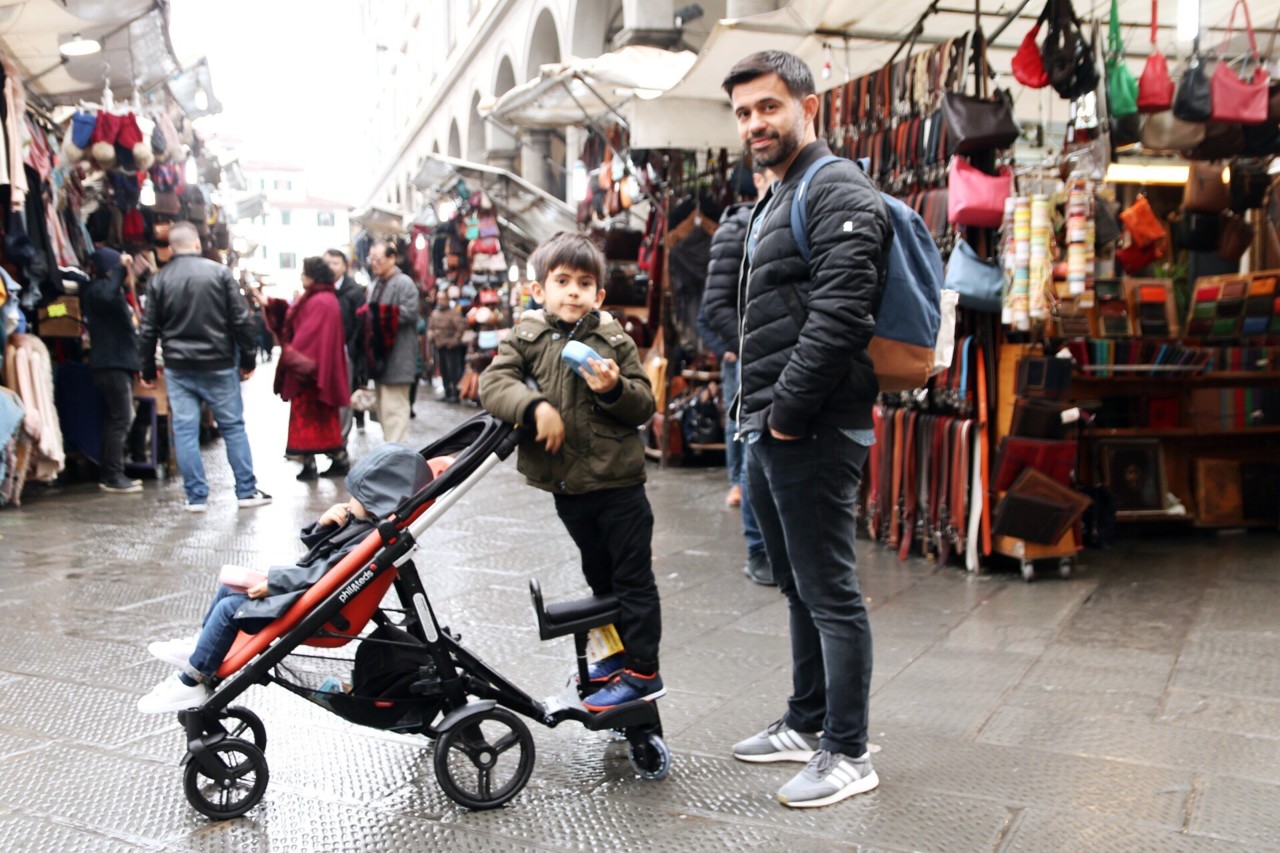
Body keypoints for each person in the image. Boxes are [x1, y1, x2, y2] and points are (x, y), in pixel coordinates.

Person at [722, 51, 890, 808]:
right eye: (744, 112)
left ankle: (848, 750)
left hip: (812, 426)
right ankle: (806, 719)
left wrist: (785, 414)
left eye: (767, 107)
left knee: (829, 589)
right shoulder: (777, 192)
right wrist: (756, 419)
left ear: (806, 106)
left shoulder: (837, 186)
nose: (755, 123)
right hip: (769, 422)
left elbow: (842, 314)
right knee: (795, 583)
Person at [479, 232, 661, 711]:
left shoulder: (614, 339)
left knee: (633, 581)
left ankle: (643, 671)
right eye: (562, 281)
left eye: (585, 283)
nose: (573, 291)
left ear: (599, 296)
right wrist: (535, 407)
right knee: (600, 580)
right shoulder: (526, 337)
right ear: (539, 290)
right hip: (569, 488)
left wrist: (613, 388)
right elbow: (493, 383)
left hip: (620, 486)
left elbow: (644, 404)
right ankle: (616, 655)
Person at [137, 443, 432, 713]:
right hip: (309, 594)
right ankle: (203, 647)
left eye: (357, 496)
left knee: (230, 610)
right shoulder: (366, 526)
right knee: (229, 591)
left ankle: (192, 680)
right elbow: (321, 559)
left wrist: (276, 584)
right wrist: (323, 524)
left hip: (311, 606)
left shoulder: (366, 537)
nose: (350, 500)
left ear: (375, 502)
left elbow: (325, 571)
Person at [138, 221, 271, 512]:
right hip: (219, 363)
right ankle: (246, 491)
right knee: (233, 427)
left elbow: (148, 330)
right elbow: (241, 320)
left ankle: (196, 496)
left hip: (178, 366)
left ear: (171, 248)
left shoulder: (159, 280)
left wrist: (147, 369)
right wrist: (248, 359)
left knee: (185, 431)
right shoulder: (220, 274)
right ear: (197, 244)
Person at [699, 167, 774, 586]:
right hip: (750, 360)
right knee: (748, 441)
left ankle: (772, 546)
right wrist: (745, 348)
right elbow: (713, 305)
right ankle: (758, 547)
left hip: (780, 357)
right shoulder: (737, 227)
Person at [260, 257, 351, 481]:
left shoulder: (321, 300)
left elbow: (308, 336)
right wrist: (271, 303)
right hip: (313, 374)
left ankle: (331, 460)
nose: (301, 277)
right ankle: (318, 462)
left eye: (304, 272)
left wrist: (293, 356)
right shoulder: (318, 298)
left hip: (313, 375)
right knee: (317, 421)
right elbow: (294, 318)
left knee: (316, 421)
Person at [82, 247, 143, 493]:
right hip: (111, 365)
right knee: (120, 418)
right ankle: (112, 475)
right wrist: (120, 267)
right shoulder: (97, 290)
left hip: (117, 363)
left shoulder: (107, 291)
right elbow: (108, 296)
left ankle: (112, 472)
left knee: (118, 418)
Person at [363, 241, 418, 443]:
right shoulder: (376, 283)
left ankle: (397, 458)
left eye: (379, 259)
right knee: (385, 412)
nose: (374, 264)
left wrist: (377, 315)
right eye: (372, 259)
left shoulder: (403, 282)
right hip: (381, 359)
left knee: (395, 412)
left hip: (398, 357)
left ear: (392, 258)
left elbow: (410, 312)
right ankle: (391, 454)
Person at [326, 249, 366, 440]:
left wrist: (350, 348)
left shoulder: (353, 291)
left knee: (343, 396)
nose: (331, 267)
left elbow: (360, 323)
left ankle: (339, 443)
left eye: (335, 263)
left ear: (344, 266)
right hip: (326, 353)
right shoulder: (322, 289)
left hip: (345, 351)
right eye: (327, 263)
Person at [428, 288, 467, 403]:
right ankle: (447, 391)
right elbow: (430, 328)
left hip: (451, 347)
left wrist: (453, 341)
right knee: (444, 370)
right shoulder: (435, 313)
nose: (440, 301)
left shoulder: (454, 313)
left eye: (442, 299)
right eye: (439, 299)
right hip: (440, 345)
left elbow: (460, 329)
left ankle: (455, 392)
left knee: (454, 370)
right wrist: (432, 336)